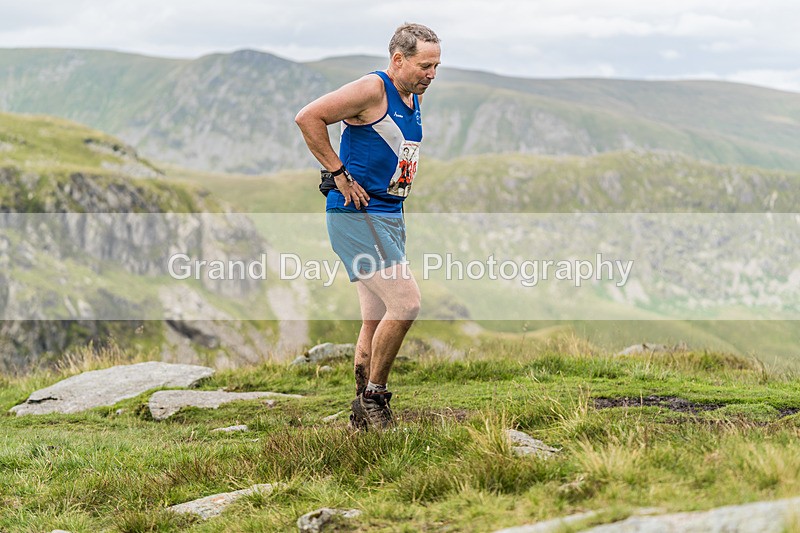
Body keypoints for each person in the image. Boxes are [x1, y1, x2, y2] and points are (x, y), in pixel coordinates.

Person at [295, 22, 440, 430]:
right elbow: (309, 118)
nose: (432, 75)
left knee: (374, 319)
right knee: (407, 303)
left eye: (437, 67)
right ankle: (375, 397)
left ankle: (361, 412)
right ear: (398, 59)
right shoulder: (373, 89)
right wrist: (337, 173)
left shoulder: (412, 96)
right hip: (358, 214)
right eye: (425, 66)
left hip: (389, 215)